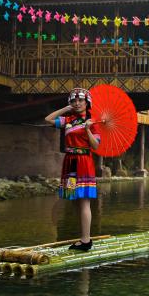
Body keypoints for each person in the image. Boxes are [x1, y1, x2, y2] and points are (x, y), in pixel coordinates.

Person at [45, 88, 100, 251]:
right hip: (70, 163)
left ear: (87, 103)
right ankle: (83, 237)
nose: (77, 103)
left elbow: (95, 146)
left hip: (83, 162)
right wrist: (65, 108)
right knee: (74, 199)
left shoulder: (92, 122)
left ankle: (86, 240)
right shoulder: (67, 120)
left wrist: (88, 129)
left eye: (80, 100)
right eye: (73, 101)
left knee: (84, 201)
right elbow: (48, 119)